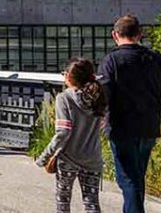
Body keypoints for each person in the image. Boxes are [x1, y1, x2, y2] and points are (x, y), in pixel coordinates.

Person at [98, 15, 161, 213]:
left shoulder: (111, 61)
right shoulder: (156, 59)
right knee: (136, 178)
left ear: (115, 35)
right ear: (139, 34)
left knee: (128, 180)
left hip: (121, 127)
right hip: (149, 126)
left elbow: (103, 95)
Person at [36, 58, 106, 213]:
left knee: (63, 201)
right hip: (92, 158)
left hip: (68, 158)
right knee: (91, 202)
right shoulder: (99, 97)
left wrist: (45, 156)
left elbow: (63, 132)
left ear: (68, 76)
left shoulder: (64, 98)